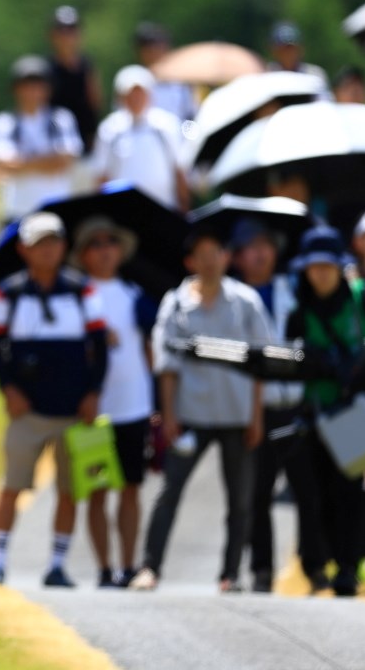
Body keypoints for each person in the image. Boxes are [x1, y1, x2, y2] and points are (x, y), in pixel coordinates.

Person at [130, 231, 269, 592]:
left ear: (226, 257)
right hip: (192, 413)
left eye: (216, 252)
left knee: (240, 498)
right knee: (170, 491)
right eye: (201, 254)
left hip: (237, 414)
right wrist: (169, 415)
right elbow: (167, 364)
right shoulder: (175, 304)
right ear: (190, 262)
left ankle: (230, 574)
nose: (209, 261)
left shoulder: (246, 301)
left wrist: (257, 416)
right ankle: (150, 567)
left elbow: (261, 365)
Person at [0, 213, 108, 587]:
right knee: (12, 485)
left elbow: (99, 349)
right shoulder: (8, 291)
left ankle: (57, 564)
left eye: (54, 242)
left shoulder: (82, 290)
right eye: (39, 243)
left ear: (64, 247)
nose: (48, 250)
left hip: (74, 410)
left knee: (69, 491)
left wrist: (93, 393)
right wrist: (8, 389)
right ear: (23, 250)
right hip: (28, 410)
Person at [285, 226, 365, 596]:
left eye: (326, 265)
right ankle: (317, 563)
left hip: (352, 411)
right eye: (313, 266)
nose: (320, 273)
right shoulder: (299, 312)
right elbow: (290, 365)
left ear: (339, 266)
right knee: (315, 492)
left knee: (350, 489)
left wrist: (358, 381)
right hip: (314, 412)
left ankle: (348, 567)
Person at [226, 219, 321, 594]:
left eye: (267, 244)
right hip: (256, 409)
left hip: (294, 403)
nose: (261, 252)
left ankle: (314, 565)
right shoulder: (231, 298)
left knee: (307, 491)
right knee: (258, 493)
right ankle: (261, 569)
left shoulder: (292, 289)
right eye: (252, 245)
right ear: (237, 256)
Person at [71, 217, 155, 587]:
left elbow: (152, 348)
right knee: (98, 489)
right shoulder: (76, 294)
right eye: (96, 244)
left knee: (131, 488)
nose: (105, 251)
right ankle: (104, 567)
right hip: (93, 409)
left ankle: (128, 564)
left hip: (134, 404)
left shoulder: (136, 295)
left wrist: (158, 403)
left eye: (110, 243)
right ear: (84, 254)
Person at [0, 55, 84, 222]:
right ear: (16, 89)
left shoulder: (61, 119)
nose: (32, 91)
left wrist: (22, 164)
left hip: (56, 207)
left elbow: (65, 161)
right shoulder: (4, 122)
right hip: (17, 209)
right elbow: (5, 162)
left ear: (48, 89)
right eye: (27, 85)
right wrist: (48, 161)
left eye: (38, 85)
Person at [91, 65, 189, 211]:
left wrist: (184, 207)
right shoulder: (109, 129)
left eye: (140, 93)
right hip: (123, 211)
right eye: (130, 94)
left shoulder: (166, 125)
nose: (136, 98)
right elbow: (101, 176)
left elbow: (179, 170)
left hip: (164, 208)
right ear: (121, 97)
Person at [48, 6, 102, 153]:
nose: (67, 36)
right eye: (62, 31)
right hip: (55, 147)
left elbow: (94, 103)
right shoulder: (46, 69)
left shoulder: (87, 66)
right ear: (53, 35)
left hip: (86, 144)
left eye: (71, 31)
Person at [132, 22, 194, 121]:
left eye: (158, 47)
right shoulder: (133, 81)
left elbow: (190, 115)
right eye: (149, 49)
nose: (154, 53)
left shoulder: (181, 82)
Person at [265, 22, 329, 87]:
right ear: (273, 51)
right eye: (283, 49)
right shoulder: (265, 74)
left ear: (301, 48)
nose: (288, 53)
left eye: (291, 48)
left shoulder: (314, 74)